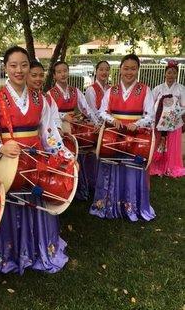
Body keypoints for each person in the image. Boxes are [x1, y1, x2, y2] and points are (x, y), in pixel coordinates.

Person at [0, 46, 73, 275]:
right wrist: (1, 146)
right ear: (5, 68)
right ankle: (9, 254)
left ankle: (38, 249)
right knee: (11, 202)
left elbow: (49, 133)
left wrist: (64, 155)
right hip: (7, 160)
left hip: (35, 158)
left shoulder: (40, 98)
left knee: (36, 199)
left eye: (23, 65)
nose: (19, 70)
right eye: (13, 65)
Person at [90, 54, 155, 221]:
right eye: (126, 68)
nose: (129, 72)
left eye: (133, 68)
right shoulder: (112, 90)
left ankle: (132, 206)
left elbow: (150, 114)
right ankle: (108, 204)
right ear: (120, 70)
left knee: (132, 170)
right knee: (113, 168)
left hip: (135, 137)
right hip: (114, 136)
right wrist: (113, 120)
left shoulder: (145, 90)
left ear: (138, 70)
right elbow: (102, 111)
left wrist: (138, 123)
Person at [48, 61, 99, 200]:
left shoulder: (75, 91)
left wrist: (96, 122)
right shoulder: (50, 94)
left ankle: (85, 186)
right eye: (59, 72)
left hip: (75, 123)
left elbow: (86, 109)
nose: (63, 74)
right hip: (61, 126)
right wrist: (64, 117)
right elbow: (48, 114)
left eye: (65, 70)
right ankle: (69, 187)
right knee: (69, 153)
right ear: (54, 75)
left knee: (84, 151)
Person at [149, 61, 185, 177]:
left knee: (172, 145)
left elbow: (184, 105)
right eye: (169, 72)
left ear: (176, 75)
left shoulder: (181, 89)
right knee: (157, 143)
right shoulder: (158, 88)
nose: (171, 75)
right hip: (159, 120)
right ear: (165, 74)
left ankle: (171, 166)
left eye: (174, 73)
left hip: (174, 122)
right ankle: (156, 164)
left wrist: (174, 115)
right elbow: (150, 103)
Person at [84, 61, 111, 190]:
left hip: (108, 125)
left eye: (106, 70)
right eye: (101, 69)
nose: (104, 72)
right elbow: (92, 110)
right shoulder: (91, 89)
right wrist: (101, 125)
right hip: (96, 126)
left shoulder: (111, 89)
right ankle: (95, 182)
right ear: (96, 71)